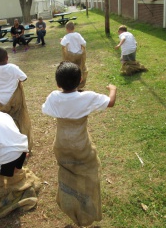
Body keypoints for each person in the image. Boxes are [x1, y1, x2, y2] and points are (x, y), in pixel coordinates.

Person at [42, 61, 117, 226]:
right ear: (81, 79)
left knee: (68, 172)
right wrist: (113, 89)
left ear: (58, 84)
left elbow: (45, 109)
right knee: (88, 172)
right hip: (81, 145)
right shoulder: (87, 97)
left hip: (61, 145)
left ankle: (69, 201)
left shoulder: (54, 97)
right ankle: (85, 205)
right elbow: (110, 103)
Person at [0, 91, 41, 218]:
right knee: (15, 170)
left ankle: (13, 192)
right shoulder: (3, 115)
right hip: (22, 150)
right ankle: (17, 176)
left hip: (8, 157)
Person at [0, 47, 33, 152]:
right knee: (20, 119)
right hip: (15, 99)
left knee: (6, 122)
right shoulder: (12, 67)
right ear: (7, 57)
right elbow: (24, 78)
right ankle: (25, 145)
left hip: (1, 100)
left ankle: (10, 145)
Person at [60, 21, 87, 89]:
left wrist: (61, 40)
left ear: (66, 29)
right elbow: (84, 43)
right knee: (79, 69)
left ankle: (72, 84)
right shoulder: (78, 35)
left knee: (71, 70)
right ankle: (79, 84)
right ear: (74, 28)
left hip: (70, 56)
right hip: (79, 55)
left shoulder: (67, 36)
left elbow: (63, 44)